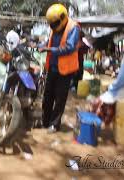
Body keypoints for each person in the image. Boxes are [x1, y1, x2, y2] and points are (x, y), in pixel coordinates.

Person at [38, 4, 80, 133]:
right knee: (47, 96)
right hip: (53, 68)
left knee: (60, 99)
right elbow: (49, 42)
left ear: (63, 18)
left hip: (65, 71)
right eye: (51, 23)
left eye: (55, 23)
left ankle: (54, 124)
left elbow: (69, 47)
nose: (53, 26)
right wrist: (40, 45)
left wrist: (49, 49)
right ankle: (45, 121)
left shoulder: (73, 27)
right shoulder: (54, 28)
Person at [92, 30, 124, 128]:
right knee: (109, 95)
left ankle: (99, 125)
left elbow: (123, 79)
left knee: (97, 101)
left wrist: (112, 87)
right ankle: (108, 121)